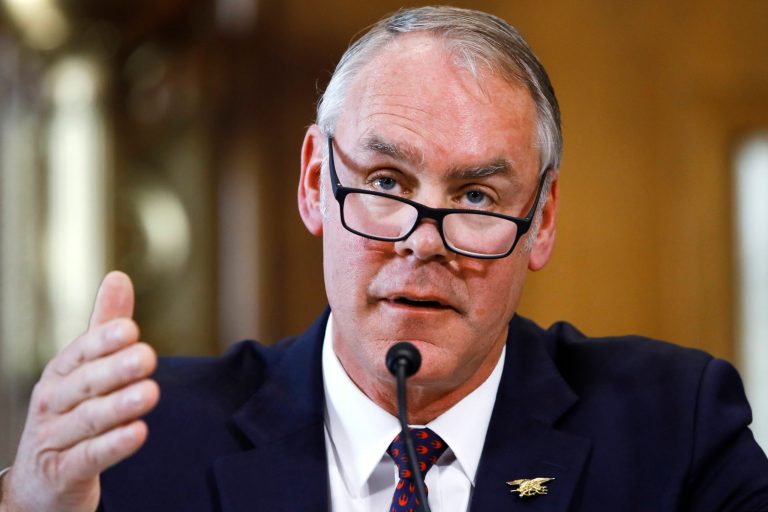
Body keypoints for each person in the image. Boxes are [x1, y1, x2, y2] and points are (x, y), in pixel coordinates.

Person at [2, 5, 767, 512]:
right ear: (313, 184)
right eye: (385, 182)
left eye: (474, 197)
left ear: (542, 221)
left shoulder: (675, 427)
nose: (421, 240)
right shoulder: (141, 439)